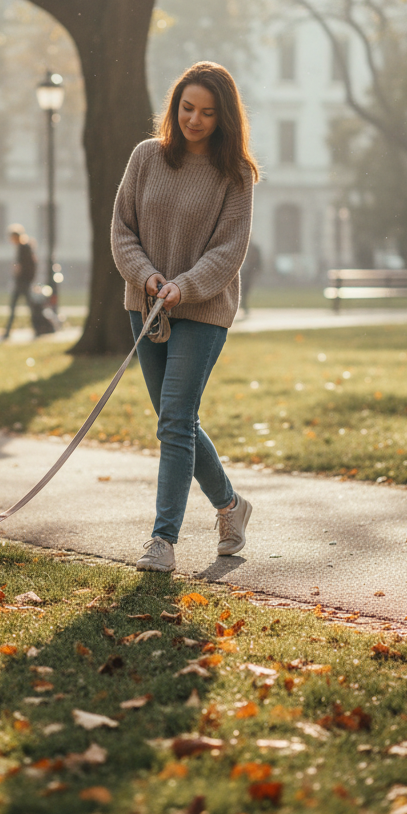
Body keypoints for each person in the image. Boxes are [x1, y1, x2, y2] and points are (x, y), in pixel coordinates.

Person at [111, 61, 260, 573]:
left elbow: (228, 250)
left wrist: (184, 285)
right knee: (175, 421)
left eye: (208, 112)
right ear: (175, 107)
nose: (195, 119)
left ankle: (162, 540)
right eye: (187, 108)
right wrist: (150, 278)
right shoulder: (146, 157)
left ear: (224, 117)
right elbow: (122, 231)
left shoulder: (234, 174)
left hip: (204, 309)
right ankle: (230, 505)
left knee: (174, 419)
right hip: (146, 304)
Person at [0, 224, 37, 340]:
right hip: (24, 282)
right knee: (25, 306)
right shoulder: (26, 247)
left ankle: (8, 331)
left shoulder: (23, 248)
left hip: (22, 282)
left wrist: (19, 274)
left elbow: (22, 266)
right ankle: (35, 329)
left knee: (16, 307)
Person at [239, 242, 262, 315]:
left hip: (249, 273)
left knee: (246, 290)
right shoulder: (240, 246)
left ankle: (244, 305)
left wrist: (256, 271)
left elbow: (258, 261)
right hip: (241, 273)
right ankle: (243, 305)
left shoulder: (254, 249)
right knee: (241, 290)